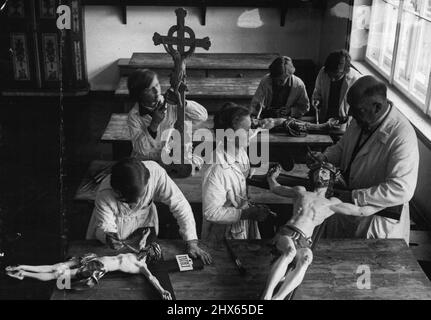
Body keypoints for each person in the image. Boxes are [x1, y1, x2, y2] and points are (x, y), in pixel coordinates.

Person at [308, 75, 419, 243]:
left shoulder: (402, 136)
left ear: (377, 107)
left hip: (376, 220)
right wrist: (325, 157)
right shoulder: (361, 119)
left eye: (357, 109)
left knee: (364, 265)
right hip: (346, 208)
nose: (350, 113)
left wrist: (354, 196)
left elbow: (401, 189)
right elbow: (342, 147)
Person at [262, 162, 382, 300]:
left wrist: (386, 203)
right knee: (290, 251)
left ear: (331, 178)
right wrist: (272, 176)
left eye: (324, 172)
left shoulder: (331, 203)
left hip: (304, 241)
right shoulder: (301, 192)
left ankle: (278, 298)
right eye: (317, 172)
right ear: (312, 176)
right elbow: (276, 188)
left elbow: (361, 211)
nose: (320, 174)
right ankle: (266, 296)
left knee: (306, 258)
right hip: (287, 233)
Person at [86, 157, 212, 265]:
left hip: (144, 225)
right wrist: (109, 237)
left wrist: (191, 242)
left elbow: (179, 204)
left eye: (141, 197)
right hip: (116, 228)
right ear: (117, 193)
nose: (137, 204)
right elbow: (106, 225)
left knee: (148, 261)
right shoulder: (105, 194)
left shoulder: (155, 172)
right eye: (130, 201)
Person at [6, 229, 172, 300]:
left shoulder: (142, 266)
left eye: (149, 251)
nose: (146, 249)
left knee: (57, 273)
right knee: (57, 266)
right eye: (149, 248)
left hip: (96, 268)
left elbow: (152, 279)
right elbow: (143, 240)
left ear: (150, 256)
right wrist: (148, 233)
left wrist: (162, 290)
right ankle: (22, 268)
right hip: (93, 258)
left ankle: (24, 273)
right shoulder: (138, 251)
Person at [201, 103, 272, 245]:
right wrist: (246, 213)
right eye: (246, 130)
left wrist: (261, 127)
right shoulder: (217, 169)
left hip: (239, 223)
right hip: (223, 232)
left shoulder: (237, 149)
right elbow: (210, 212)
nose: (249, 133)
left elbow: (240, 173)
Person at [127, 69, 208, 161]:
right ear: (139, 94)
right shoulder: (134, 116)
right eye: (149, 89)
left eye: (157, 85)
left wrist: (182, 103)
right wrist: (154, 124)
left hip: (173, 159)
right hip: (148, 160)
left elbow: (203, 116)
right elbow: (142, 149)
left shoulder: (171, 103)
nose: (156, 90)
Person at [311, 50, 361, 128]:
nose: (333, 79)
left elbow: (357, 107)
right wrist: (317, 100)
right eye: (330, 75)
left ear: (345, 71)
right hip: (324, 117)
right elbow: (317, 91)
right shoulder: (323, 72)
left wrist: (347, 117)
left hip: (343, 122)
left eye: (336, 76)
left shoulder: (355, 80)